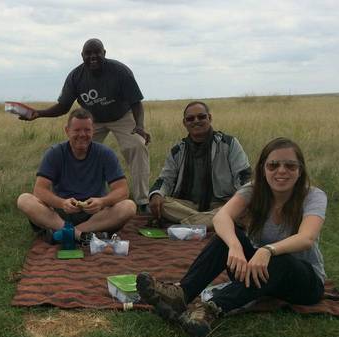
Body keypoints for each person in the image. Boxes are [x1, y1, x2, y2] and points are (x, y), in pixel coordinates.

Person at [136, 138, 327, 337]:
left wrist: (267, 250)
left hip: (303, 282)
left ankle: (208, 311)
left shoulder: (313, 196)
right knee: (226, 237)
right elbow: (221, 217)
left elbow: (307, 238)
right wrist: (234, 246)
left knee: (282, 259)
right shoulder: (254, 190)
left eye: (290, 165)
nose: (281, 171)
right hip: (259, 273)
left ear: (300, 170)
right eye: (273, 165)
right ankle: (181, 295)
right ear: (263, 168)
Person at [21, 38, 151, 211]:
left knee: (137, 146)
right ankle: (61, 199)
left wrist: (140, 126)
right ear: (82, 56)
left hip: (121, 116)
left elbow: (136, 102)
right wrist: (39, 114)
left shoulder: (120, 71)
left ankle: (142, 201)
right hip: (92, 121)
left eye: (97, 52)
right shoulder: (76, 77)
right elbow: (64, 107)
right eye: (88, 53)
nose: (93, 57)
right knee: (74, 150)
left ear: (104, 53)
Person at [16, 109, 137, 243]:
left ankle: (65, 233)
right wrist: (61, 203)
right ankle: (81, 235)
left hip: (95, 215)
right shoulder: (54, 153)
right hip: (60, 213)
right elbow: (39, 190)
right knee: (24, 200)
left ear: (93, 131)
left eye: (87, 130)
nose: (82, 134)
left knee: (129, 207)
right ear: (67, 131)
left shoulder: (105, 154)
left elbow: (122, 190)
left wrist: (102, 201)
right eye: (77, 130)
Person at [148, 101, 251, 228]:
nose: (196, 121)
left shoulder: (229, 144)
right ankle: (213, 221)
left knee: (244, 209)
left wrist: (238, 200)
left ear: (210, 118)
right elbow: (165, 180)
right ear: (184, 123)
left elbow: (244, 176)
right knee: (161, 203)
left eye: (201, 117)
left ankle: (191, 223)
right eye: (190, 119)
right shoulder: (178, 150)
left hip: (221, 203)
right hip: (187, 204)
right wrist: (156, 194)